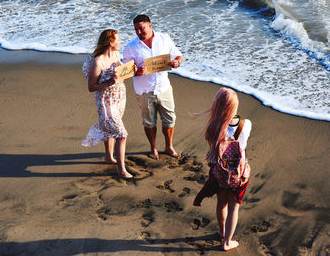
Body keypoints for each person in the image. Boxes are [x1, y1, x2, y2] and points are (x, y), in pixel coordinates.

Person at [193, 87, 252, 251]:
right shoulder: (245, 125)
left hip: (220, 172)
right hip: (239, 175)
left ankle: (221, 231)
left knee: (222, 204)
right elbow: (243, 145)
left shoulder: (213, 127)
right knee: (235, 206)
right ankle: (228, 241)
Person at [123, 14, 183, 159]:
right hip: (144, 91)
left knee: (169, 119)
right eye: (136, 29)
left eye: (141, 28)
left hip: (164, 87)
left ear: (150, 25)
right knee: (149, 122)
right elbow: (125, 71)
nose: (138, 32)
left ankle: (169, 146)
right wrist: (136, 72)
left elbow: (178, 55)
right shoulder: (130, 47)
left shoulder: (164, 39)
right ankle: (153, 148)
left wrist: (176, 63)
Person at [82, 29, 133, 179]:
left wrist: (131, 71)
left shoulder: (117, 55)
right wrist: (109, 82)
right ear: (110, 42)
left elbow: (121, 76)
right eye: (118, 39)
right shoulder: (98, 62)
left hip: (119, 98)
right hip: (106, 102)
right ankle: (121, 169)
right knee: (121, 134)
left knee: (110, 130)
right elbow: (91, 87)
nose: (120, 42)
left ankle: (109, 157)